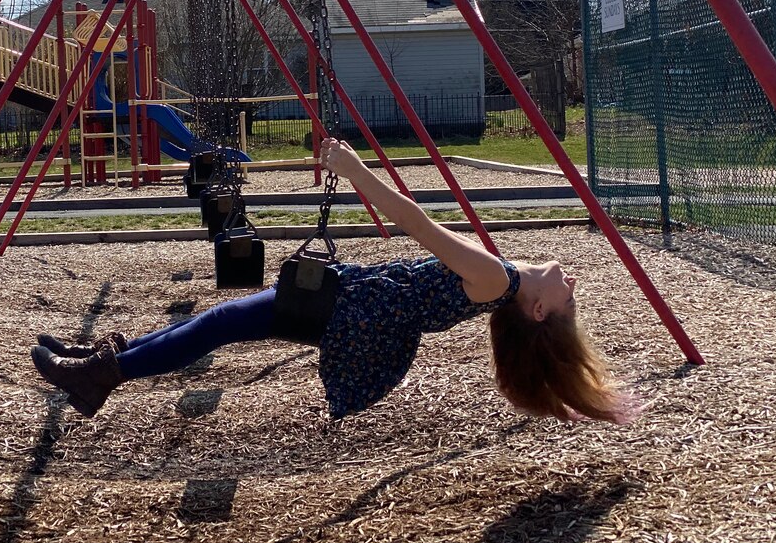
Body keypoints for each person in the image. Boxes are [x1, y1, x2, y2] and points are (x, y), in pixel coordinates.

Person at [31, 138, 633, 424]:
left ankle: (100, 377)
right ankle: (101, 364)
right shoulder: (498, 282)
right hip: (352, 302)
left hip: (348, 311)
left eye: (567, 302)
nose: (572, 283)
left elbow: (414, 223)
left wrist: (353, 170)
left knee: (218, 324)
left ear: (536, 312)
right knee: (215, 323)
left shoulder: (494, 280)